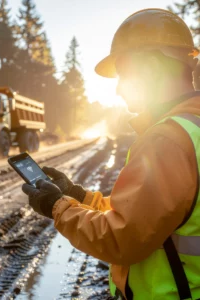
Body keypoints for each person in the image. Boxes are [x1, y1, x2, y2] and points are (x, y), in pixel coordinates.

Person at [22, 8, 200, 300]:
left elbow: (123, 238)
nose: (118, 89)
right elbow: (148, 214)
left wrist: (58, 206)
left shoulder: (168, 139)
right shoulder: (192, 128)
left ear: (153, 67)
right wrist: (78, 197)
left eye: (124, 74)